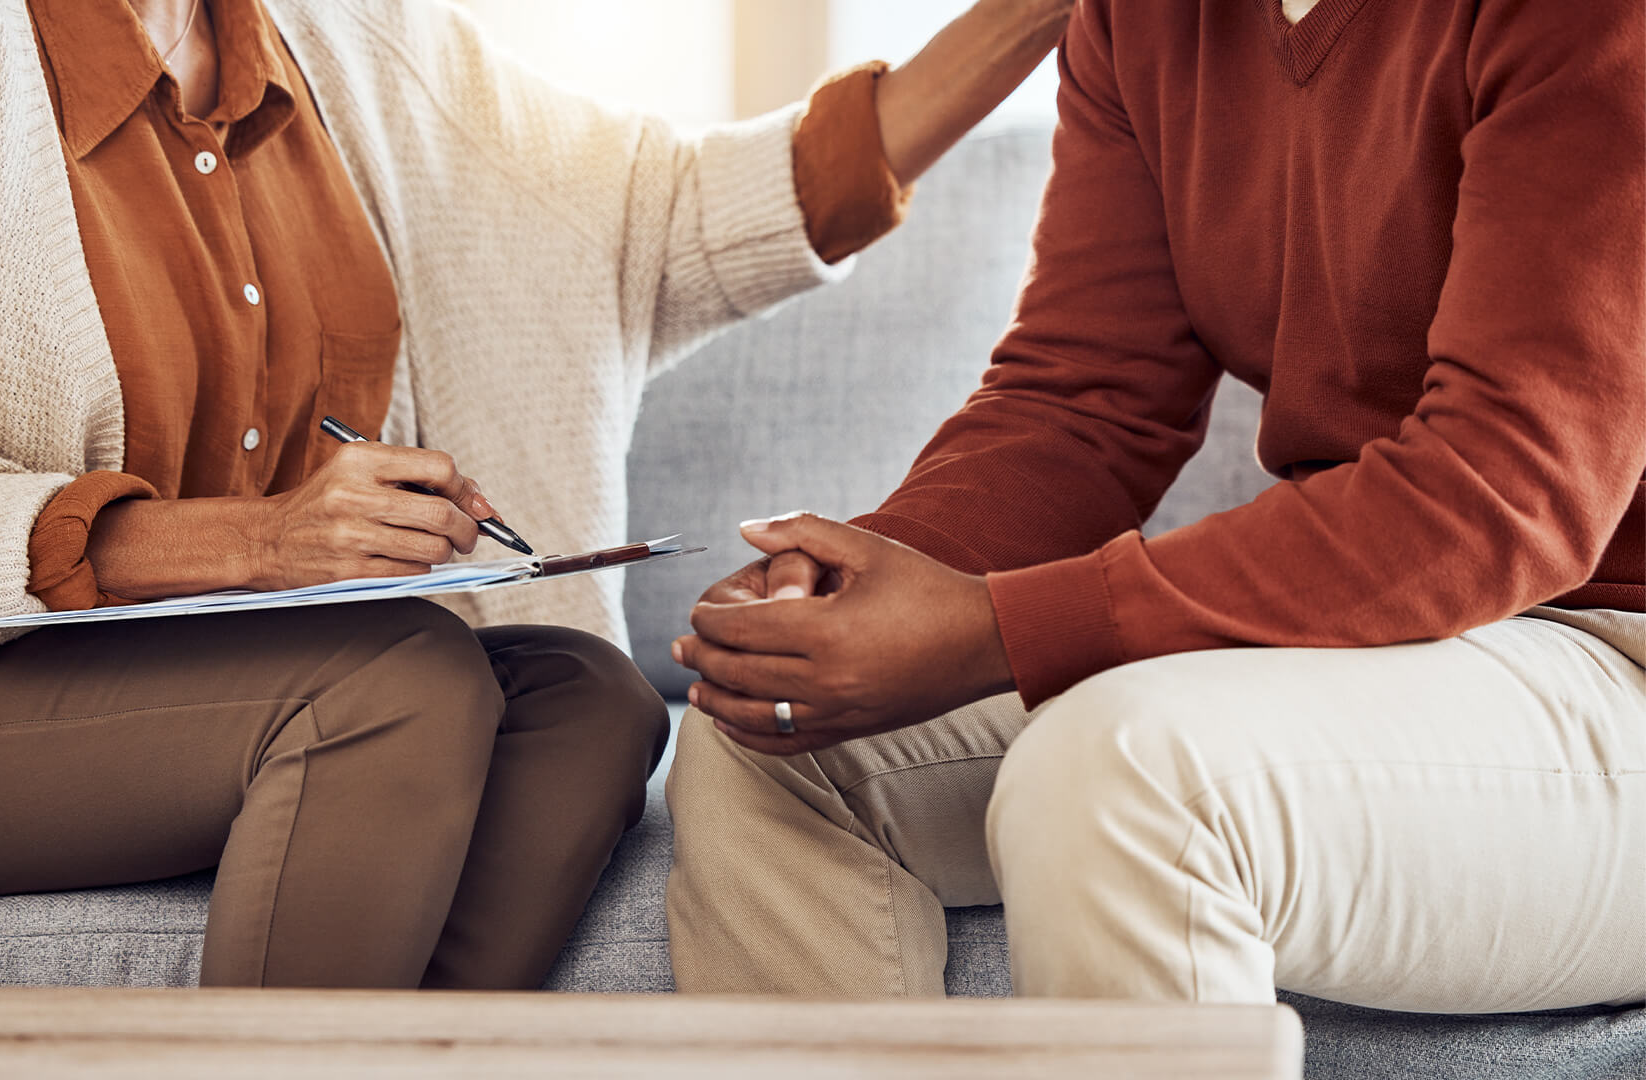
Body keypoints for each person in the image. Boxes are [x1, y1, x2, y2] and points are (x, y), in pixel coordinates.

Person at [0, 0, 1071, 988]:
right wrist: (263, 542)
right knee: (399, 682)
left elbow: (684, 213)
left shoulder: (344, 43)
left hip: (235, 685)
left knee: (583, 699)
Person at [667, 0, 1646, 1011]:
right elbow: (1085, 401)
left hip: (1617, 652)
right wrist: (849, 589)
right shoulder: (1143, 18)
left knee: (1118, 777)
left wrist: (991, 629)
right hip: (1387, 641)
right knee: (769, 728)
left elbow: (1504, 490)